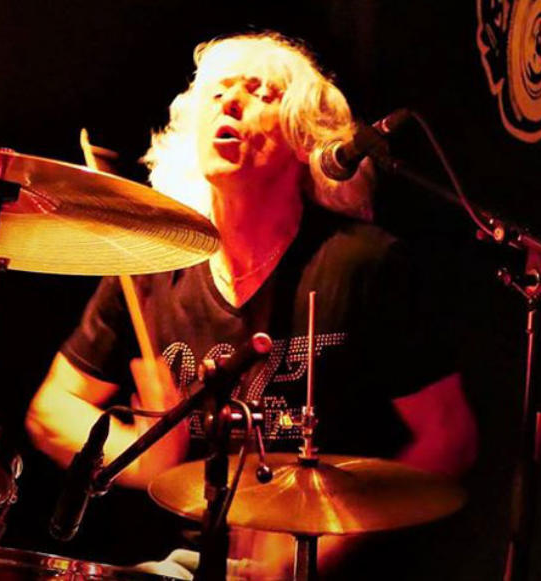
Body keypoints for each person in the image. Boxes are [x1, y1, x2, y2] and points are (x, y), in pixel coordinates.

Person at [27, 31, 477, 578]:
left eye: (260, 93)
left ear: (305, 139)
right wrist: (138, 454)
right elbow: (53, 408)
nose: (231, 103)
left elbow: (449, 437)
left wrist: (315, 553)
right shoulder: (154, 266)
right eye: (216, 94)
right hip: (187, 565)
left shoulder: (363, 265)